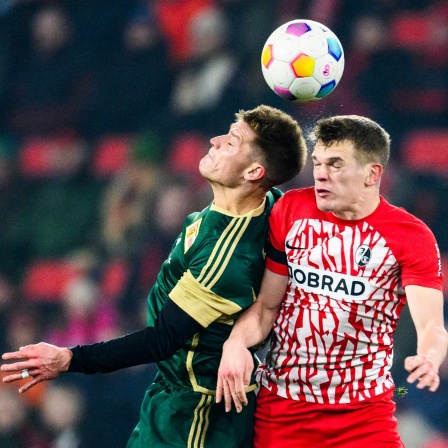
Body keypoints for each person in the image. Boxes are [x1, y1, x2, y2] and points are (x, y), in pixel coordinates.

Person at [1, 104, 308, 447]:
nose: (215, 140)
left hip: (195, 411)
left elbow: (161, 340)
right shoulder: (258, 207)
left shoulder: (226, 257)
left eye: (232, 141)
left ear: (253, 172)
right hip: (174, 396)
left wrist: (70, 358)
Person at [216, 115, 448, 447]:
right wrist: (236, 343)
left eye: (336, 164)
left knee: (406, 391)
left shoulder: (411, 237)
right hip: (283, 411)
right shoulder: (290, 211)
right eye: (318, 162)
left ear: (372, 174)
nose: (321, 173)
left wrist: (429, 356)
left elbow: (433, 328)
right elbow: (266, 308)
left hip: (377, 402)